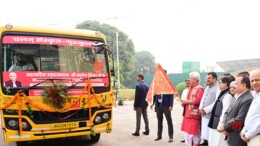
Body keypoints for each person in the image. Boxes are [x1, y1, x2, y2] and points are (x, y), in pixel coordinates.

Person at [219, 74, 253, 146]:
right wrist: (225, 128)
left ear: (243, 85)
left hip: (238, 139)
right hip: (231, 135)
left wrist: (225, 127)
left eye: (236, 84)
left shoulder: (248, 99)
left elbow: (240, 121)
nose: (234, 86)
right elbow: (227, 112)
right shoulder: (236, 96)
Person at [208, 75, 235, 146]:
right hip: (215, 123)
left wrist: (221, 125)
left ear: (225, 84)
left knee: (218, 143)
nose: (219, 84)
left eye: (220, 83)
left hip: (219, 126)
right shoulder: (222, 93)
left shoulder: (227, 95)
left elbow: (225, 112)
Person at [150, 70, 174, 143]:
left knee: (169, 121)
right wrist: (152, 103)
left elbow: (171, 95)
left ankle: (170, 137)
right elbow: (155, 94)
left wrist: (170, 105)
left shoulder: (169, 84)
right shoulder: (157, 84)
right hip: (158, 106)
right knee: (159, 121)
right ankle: (159, 135)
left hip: (166, 106)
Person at [181, 72, 204, 146]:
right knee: (187, 134)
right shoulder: (190, 87)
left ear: (196, 79)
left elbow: (198, 101)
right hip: (187, 115)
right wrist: (184, 103)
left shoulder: (199, 88)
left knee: (194, 135)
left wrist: (186, 102)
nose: (189, 79)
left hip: (194, 116)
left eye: (191, 78)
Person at [240, 70, 260, 146]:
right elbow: (251, 116)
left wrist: (248, 134)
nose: (254, 83)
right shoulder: (256, 95)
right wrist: (244, 131)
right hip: (251, 137)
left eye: (257, 80)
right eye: (252, 81)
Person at [199, 72, 219, 145]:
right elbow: (203, 98)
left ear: (215, 79)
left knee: (210, 135)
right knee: (204, 134)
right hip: (204, 114)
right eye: (206, 78)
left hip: (210, 115)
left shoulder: (218, 88)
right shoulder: (207, 87)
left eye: (209, 78)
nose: (207, 80)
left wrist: (206, 110)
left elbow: (216, 102)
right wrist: (200, 108)